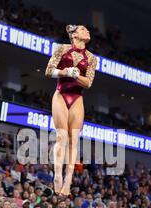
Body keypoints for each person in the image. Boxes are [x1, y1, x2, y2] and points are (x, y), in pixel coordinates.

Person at [45, 24, 97, 196]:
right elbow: (48, 71)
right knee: (61, 135)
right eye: (83, 29)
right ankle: (58, 174)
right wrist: (65, 71)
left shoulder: (91, 58)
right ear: (74, 35)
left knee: (73, 138)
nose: (87, 31)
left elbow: (88, 83)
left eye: (87, 30)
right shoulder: (62, 49)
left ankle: (68, 180)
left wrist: (76, 75)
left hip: (77, 98)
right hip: (61, 93)